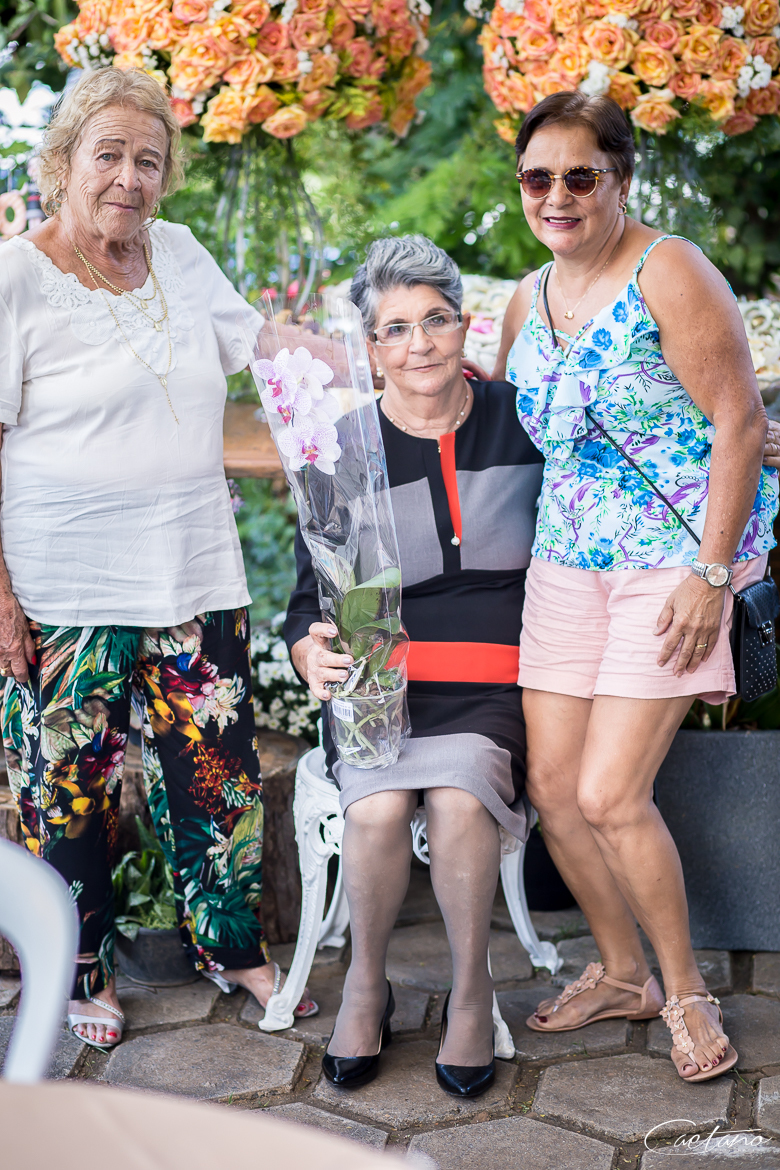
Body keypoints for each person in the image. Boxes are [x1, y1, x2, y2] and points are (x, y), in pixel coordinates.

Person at [0, 66, 315, 1052]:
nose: (129, 179)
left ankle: (231, 948)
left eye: (148, 160)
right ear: (64, 161)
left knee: (217, 777)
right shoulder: (16, 276)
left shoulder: (177, 252)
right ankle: (78, 968)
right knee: (69, 790)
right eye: (109, 155)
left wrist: (384, 351)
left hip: (191, 563)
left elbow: (262, 342)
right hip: (63, 583)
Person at [493, 91, 777, 1082]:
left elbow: (739, 419)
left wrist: (711, 574)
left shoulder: (671, 269)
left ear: (621, 179)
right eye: (538, 177)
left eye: (581, 176)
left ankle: (687, 992)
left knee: (612, 794)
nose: (558, 196)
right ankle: (623, 974)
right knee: (554, 791)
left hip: (670, 562)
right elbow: (503, 425)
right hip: (563, 563)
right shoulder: (527, 297)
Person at [284, 234, 544, 1096]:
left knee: (463, 799)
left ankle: (471, 994)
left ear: (465, 326)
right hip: (380, 688)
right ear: (371, 349)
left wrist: (746, 436)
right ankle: (367, 984)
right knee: (376, 810)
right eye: (395, 329)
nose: (419, 344)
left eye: (435, 320)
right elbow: (306, 600)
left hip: (493, 689)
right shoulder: (340, 448)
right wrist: (307, 647)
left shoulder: (524, 420)